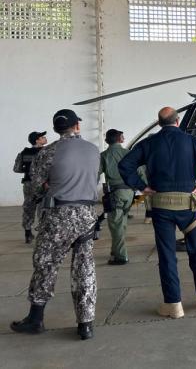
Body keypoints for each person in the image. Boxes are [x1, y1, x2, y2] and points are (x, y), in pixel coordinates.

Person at [118, 107, 196, 319]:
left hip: (161, 207)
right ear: (178, 121)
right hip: (188, 207)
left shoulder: (148, 143)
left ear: (159, 124)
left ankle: (173, 304)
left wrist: (142, 187)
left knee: (167, 256)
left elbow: (125, 164)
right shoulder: (191, 141)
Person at [11, 109, 100, 340]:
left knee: (45, 264)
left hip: (58, 216)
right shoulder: (93, 150)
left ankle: (35, 319)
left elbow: (35, 187)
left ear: (55, 129)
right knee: (84, 268)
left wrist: (43, 193)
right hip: (87, 216)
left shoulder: (48, 152)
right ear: (77, 126)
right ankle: (86, 324)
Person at [99, 129, 135, 265]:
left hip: (115, 193)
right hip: (129, 193)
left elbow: (95, 174)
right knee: (121, 223)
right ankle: (115, 250)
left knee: (116, 224)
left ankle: (121, 256)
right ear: (120, 139)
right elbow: (140, 171)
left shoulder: (104, 155)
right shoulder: (129, 154)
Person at [13, 131, 48, 243]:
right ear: (37, 140)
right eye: (42, 137)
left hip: (28, 184)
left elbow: (17, 169)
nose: (45, 138)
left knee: (28, 208)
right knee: (43, 208)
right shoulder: (46, 152)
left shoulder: (24, 153)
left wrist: (28, 170)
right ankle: (43, 234)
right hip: (42, 184)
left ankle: (28, 233)